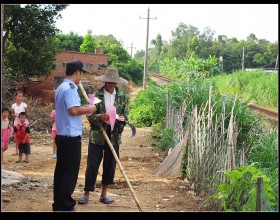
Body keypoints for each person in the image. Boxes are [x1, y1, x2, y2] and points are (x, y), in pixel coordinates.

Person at [78, 67, 129, 205]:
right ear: (104, 82)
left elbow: (127, 115)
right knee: (93, 164)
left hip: (113, 136)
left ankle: (103, 194)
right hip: (97, 135)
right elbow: (89, 115)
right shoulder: (95, 95)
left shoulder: (122, 97)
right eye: (108, 83)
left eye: (113, 83)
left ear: (117, 83)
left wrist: (120, 120)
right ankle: (87, 194)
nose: (111, 85)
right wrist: (100, 116)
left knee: (109, 165)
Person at [52, 60, 97, 212]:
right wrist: (90, 108)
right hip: (70, 138)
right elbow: (73, 110)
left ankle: (58, 204)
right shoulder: (70, 88)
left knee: (61, 171)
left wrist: (83, 107)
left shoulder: (60, 87)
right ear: (77, 72)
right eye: (81, 73)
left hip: (62, 136)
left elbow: (72, 108)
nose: (81, 76)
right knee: (69, 173)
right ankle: (66, 205)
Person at [11, 90, 30, 156]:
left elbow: (28, 112)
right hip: (16, 121)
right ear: (15, 97)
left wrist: (23, 115)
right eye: (19, 96)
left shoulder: (24, 104)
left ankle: (25, 151)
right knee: (16, 136)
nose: (20, 98)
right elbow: (12, 113)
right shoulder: (13, 105)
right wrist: (13, 115)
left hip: (24, 121)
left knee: (25, 135)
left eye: (21, 96)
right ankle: (17, 151)